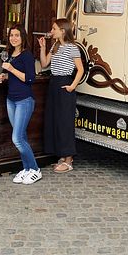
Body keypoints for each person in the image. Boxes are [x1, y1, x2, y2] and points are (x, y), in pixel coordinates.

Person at [0, 24, 41, 184]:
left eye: (17, 35)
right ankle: (26, 168)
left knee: (17, 138)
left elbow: (30, 79)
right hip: (11, 100)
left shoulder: (27, 55)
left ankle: (35, 169)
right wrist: (4, 76)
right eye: (11, 35)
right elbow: (14, 77)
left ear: (23, 37)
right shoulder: (10, 54)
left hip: (24, 101)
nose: (13, 38)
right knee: (21, 137)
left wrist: (12, 70)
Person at [38, 18, 84, 173]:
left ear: (63, 31)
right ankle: (61, 155)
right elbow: (44, 64)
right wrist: (43, 48)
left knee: (65, 122)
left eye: (54, 29)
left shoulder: (73, 48)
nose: (51, 31)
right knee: (55, 120)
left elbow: (80, 69)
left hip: (65, 84)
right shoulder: (55, 46)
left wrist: (72, 86)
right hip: (54, 83)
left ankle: (69, 160)